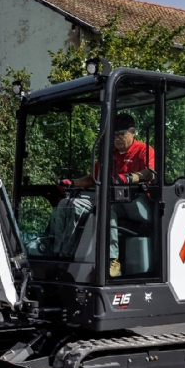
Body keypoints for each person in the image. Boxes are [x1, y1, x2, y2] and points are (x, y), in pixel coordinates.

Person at [52, 112, 155, 277]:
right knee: (68, 204)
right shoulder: (110, 153)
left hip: (137, 201)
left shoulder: (143, 150)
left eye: (121, 134)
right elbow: (93, 178)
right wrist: (71, 182)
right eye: (114, 135)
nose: (117, 138)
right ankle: (62, 254)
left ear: (133, 132)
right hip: (111, 197)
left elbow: (150, 173)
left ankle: (112, 260)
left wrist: (127, 178)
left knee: (106, 205)